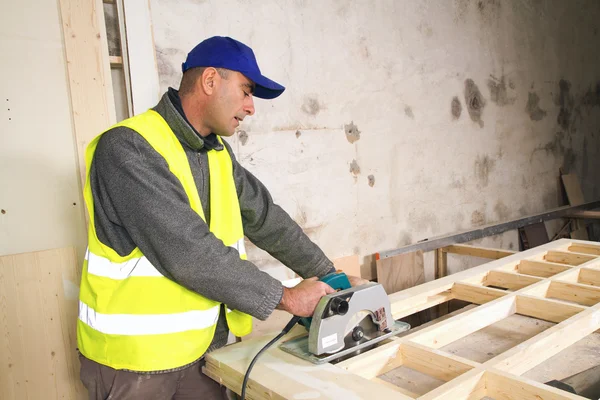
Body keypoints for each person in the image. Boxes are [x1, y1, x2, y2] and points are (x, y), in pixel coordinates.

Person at [77, 36, 366, 399]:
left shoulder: (216, 153)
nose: (251, 108)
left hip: (207, 350)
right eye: (246, 91)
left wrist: (331, 276)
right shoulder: (127, 148)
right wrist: (287, 297)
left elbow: (266, 219)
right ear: (210, 81)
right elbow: (187, 251)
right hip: (136, 365)